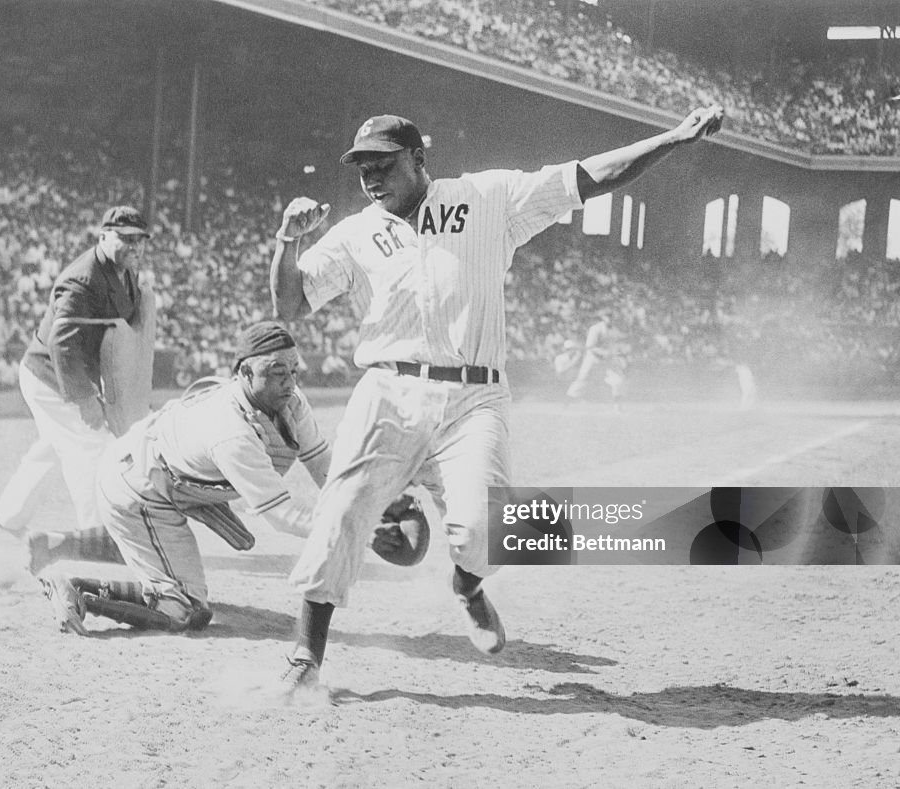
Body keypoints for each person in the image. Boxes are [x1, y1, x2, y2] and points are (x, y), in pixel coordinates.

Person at [269, 106, 724, 693]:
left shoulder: (489, 199)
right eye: (363, 169)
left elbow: (588, 178)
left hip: (473, 396)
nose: (371, 179)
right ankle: (306, 656)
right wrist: (286, 241)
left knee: (490, 530)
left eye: (383, 164)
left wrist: (675, 138)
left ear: (419, 160)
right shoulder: (355, 233)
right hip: (388, 391)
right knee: (342, 510)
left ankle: (468, 586)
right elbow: (290, 306)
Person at [36, 322, 332, 634]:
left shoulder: (290, 401)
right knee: (184, 609)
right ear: (245, 373)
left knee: (167, 575)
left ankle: (59, 543)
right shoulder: (231, 431)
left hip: (164, 477)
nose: (289, 382)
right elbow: (282, 515)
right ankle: (76, 587)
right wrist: (351, 530)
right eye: (276, 372)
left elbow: (322, 464)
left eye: (294, 370)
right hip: (138, 487)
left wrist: (363, 506)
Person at [0, 206, 152, 555]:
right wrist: (85, 400)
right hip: (51, 376)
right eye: (125, 239)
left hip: (63, 372)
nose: (134, 247)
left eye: (140, 240)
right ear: (103, 236)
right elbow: (61, 343)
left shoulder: (127, 273)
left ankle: (7, 517)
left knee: (52, 449)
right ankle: (97, 536)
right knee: (90, 447)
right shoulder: (83, 278)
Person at [565, 311, 629, 410]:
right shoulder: (595, 329)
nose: (610, 319)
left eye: (612, 316)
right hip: (593, 360)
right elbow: (590, 347)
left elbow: (616, 345)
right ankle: (567, 403)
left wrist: (618, 354)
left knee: (619, 381)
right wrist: (604, 353)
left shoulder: (614, 330)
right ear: (603, 318)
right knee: (581, 381)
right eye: (608, 316)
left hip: (608, 361)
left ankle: (618, 407)